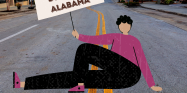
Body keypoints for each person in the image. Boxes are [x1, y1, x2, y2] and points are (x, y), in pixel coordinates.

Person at [13, 15, 162, 92]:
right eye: (122, 24)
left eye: (126, 24)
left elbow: (142, 61)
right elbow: (96, 39)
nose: (124, 27)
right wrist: (79, 36)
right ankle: (23, 84)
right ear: (119, 26)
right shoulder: (114, 37)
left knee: (84, 49)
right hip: (117, 78)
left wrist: (152, 85)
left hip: (130, 73)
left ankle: (78, 85)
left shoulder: (134, 40)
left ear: (130, 26)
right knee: (73, 78)